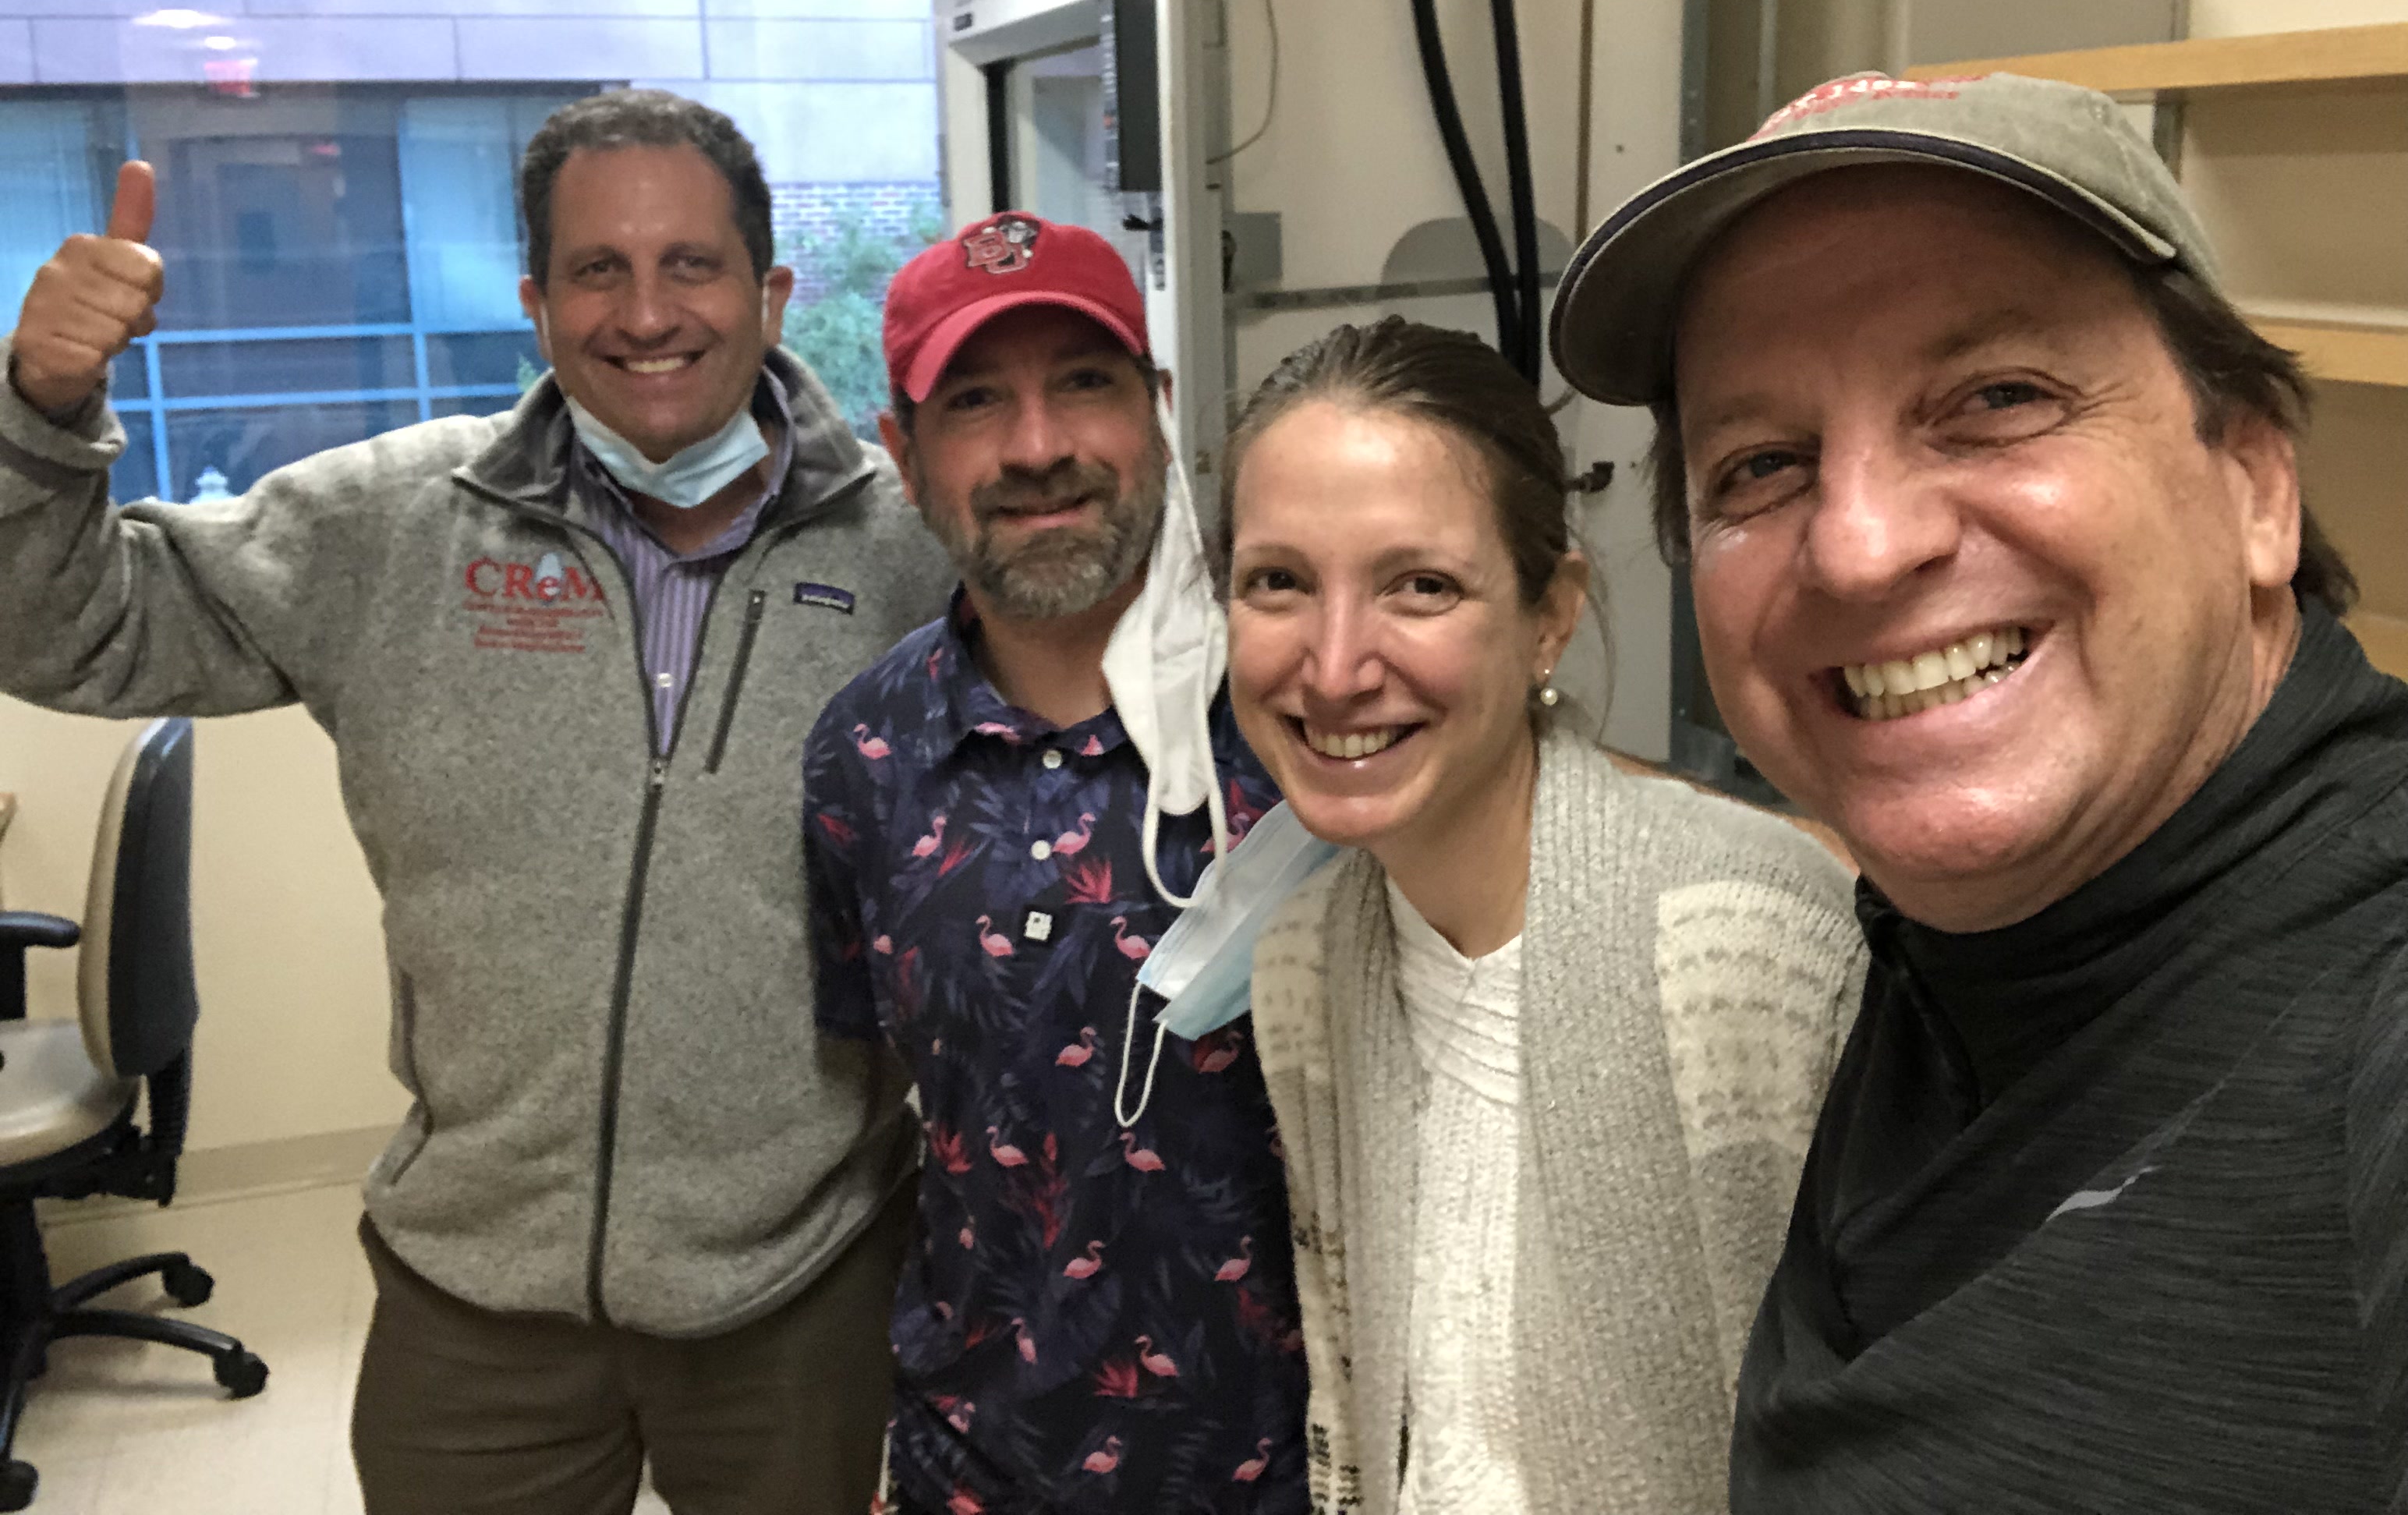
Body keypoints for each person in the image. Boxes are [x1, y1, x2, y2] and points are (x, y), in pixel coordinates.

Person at [0, 88, 953, 1515]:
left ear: (770, 292)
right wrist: (43, 410)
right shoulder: (391, 525)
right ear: (535, 300)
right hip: (475, 1303)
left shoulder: (912, 555)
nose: (647, 313)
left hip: (799, 1291)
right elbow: (67, 627)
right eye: (597, 270)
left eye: (691, 264)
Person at [1548, 67, 2408, 1511]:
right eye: (1762, 466)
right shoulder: (1984, 934)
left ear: (2257, 485)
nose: (1861, 546)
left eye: (1998, 399)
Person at [1213, 316, 1863, 1515]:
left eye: (1422, 586)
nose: (1338, 663)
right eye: (1280, 584)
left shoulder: (1749, 947)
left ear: (1549, 616)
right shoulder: (1305, 968)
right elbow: (1359, 1402)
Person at [803, 211, 1308, 1514]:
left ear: (1157, 408)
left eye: (1085, 383)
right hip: (976, 1460)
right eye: (976, 402)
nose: (1038, 449)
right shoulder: (866, 754)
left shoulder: (1308, 713)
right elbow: (917, 1123)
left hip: (1293, 1464)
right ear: (904, 458)